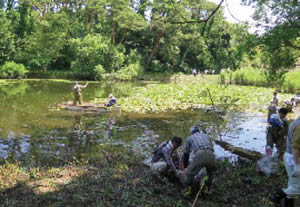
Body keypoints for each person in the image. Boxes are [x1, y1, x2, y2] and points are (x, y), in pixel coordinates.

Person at [270, 105, 300, 206]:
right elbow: (295, 147)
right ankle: (277, 197)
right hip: (293, 158)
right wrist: (297, 165)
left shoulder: (295, 122)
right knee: (297, 188)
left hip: (290, 157)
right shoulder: (299, 126)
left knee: (293, 186)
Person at [180, 125, 216, 192]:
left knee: (189, 174)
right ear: (199, 131)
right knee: (210, 173)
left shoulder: (190, 138)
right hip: (211, 154)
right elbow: (212, 146)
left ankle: (188, 191)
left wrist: (185, 167)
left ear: (191, 132)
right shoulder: (206, 136)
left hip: (200, 153)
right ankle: (207, 190)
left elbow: (186, 154)